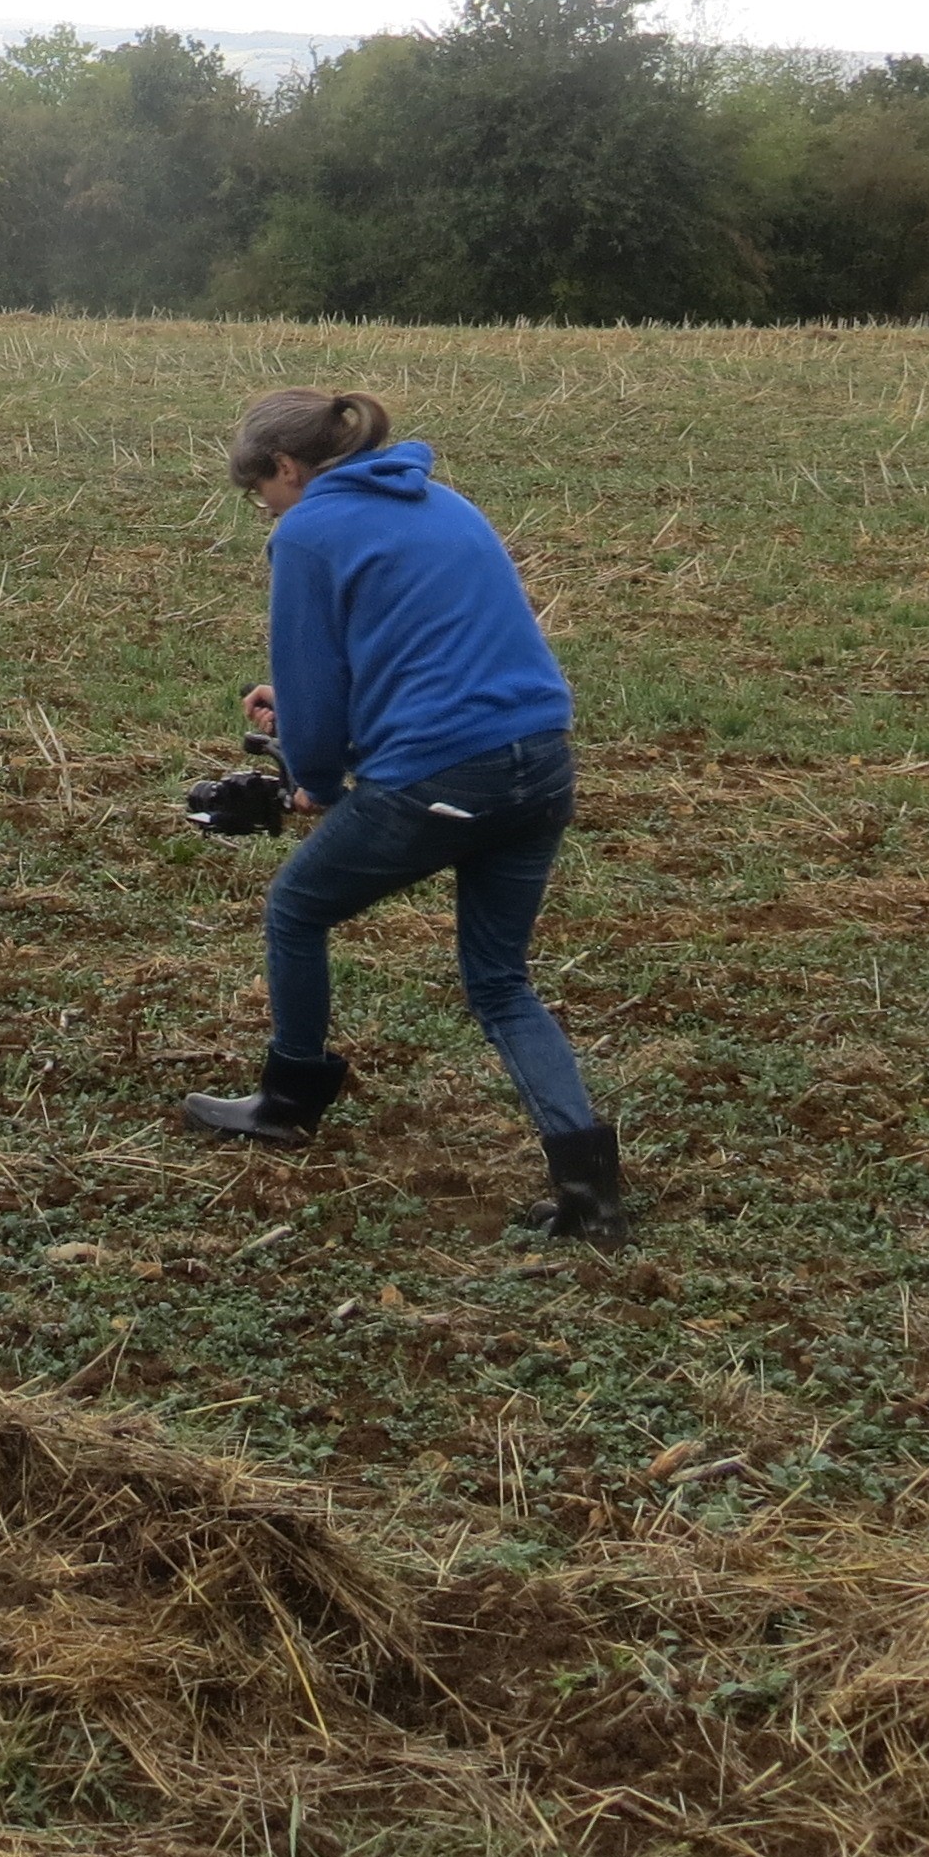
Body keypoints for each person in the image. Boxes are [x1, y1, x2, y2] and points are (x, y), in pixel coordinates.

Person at [181, 387, 627, 1249]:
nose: (262, 508)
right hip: (539, 757)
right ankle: (589, 1189)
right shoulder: (439, 499)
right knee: (499, 982)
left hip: (448, 774)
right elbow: (428, 650)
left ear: (285, 468)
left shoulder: (306, 532)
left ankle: (289, 1097)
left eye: (258, 491)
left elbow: (315, 706)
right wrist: (324, 736)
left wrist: (312, 774)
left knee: (297, 908)